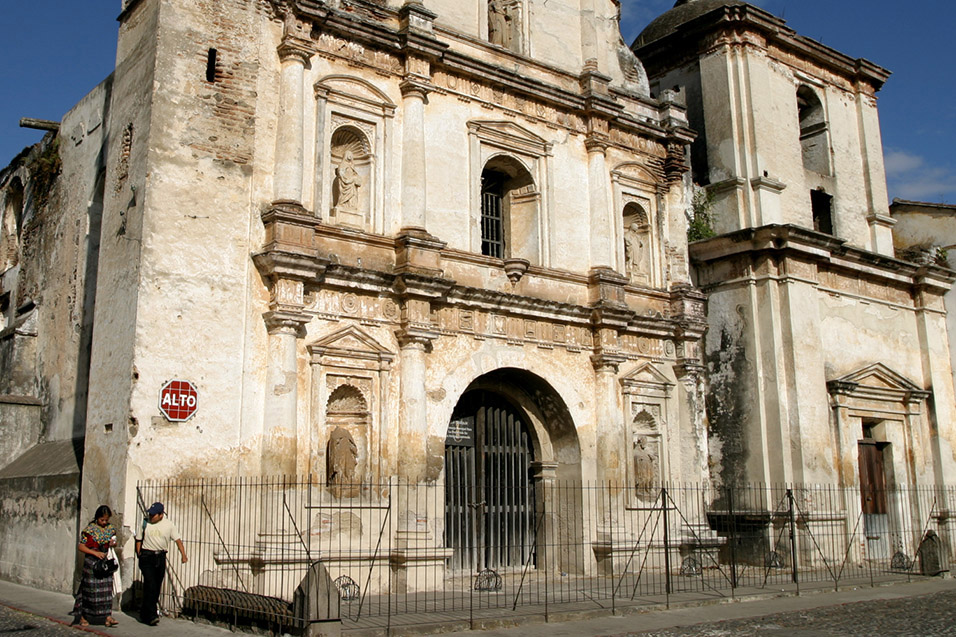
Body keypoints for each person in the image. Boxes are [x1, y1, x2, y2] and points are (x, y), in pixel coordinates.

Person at [135, 502, 188, 626]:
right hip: (147, 556)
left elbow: (178, 540)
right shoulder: (145, 523)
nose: (151, 516)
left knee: (156, 586)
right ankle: (152, 615)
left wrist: (183, 555)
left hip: (160, 557)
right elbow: (138, 539)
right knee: (150, 584)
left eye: (153, 515)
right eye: (150, 514)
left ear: (161, 515)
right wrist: (139, 554)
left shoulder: (169, 525)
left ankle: (145, 612)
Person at [72, 505, 119, 627]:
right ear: (97, 518)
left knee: (106, 591)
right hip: (92, 564)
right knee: (90, 591)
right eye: (102, 520)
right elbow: (81, 546)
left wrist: (112, 543)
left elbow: (112, 543)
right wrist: (95, 553)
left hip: (105, 564)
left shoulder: (110, 529)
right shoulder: (89, 530)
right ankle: (83, 615)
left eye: (106, 520)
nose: (104, 522)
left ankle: (107, 616)